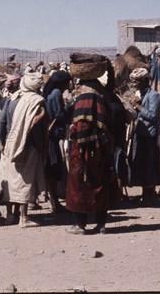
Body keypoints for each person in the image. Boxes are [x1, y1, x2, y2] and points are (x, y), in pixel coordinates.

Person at [65, 58, 113, 235]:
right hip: (102, 148)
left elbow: (82, 126)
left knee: (79, 185)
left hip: (83, 150)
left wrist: (73, 132)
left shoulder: (84, 99)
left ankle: (79, 225)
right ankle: (101, 225)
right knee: (99, 184)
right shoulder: (102, 98)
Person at [0, 72, 47, 228]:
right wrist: (40, 147)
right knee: (25, 179)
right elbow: (37, 129)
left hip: (10, 144)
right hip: (27, 146)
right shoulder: (36, 102)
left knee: (10, 180)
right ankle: (23, 218)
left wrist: (2, 143)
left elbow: (2, 122)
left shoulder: (13, 99)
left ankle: (10, 215)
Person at [129, 67, 160, 205]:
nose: (134, 85)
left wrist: (138, 107)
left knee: (149, 164)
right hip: (140, 134)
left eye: (136, 82)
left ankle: (149, 195)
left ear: (144, 81)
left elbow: (152, 116)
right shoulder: (141, 94)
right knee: (142, 164)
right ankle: (145, 193)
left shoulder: (153, 95)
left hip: (149, 135)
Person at [42, 70, 72, 214]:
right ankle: (55, 203)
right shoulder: (56, 94)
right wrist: (71, 111)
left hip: (49, 134)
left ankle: (54, 200)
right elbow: (59, 114)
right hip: (54, 135)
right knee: (53, 169)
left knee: (50, 169)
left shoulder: (49, 92)